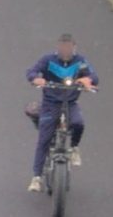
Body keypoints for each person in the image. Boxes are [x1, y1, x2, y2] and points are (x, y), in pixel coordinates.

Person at [25, 33, 99, 192]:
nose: (65, 51)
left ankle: (74, 147)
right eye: (62, 47)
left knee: (78, 123)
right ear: (58, 48)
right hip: (50, 104)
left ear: (74, 48)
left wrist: (88, 80)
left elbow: (93, 76)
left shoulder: (80, 62)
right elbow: (31, 72)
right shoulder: (48, 60)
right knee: (44, 139)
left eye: (68, 48)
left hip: (70, 102)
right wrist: (36, 79)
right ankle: (36, 178)